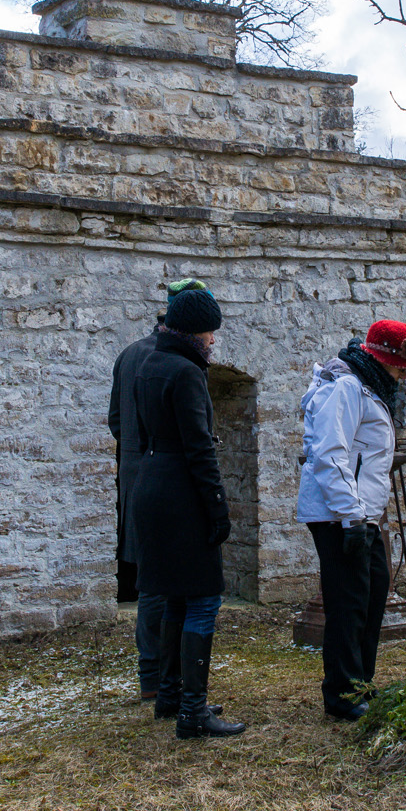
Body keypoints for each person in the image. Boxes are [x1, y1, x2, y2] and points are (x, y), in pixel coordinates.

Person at [124, 286, 246, 739]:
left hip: (151, 487)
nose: (213, 340)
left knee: (175, 594)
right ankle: (193, 712)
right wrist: (218, 508)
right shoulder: (186, 372)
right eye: (210, 332)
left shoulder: (148, 363)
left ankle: (171, 694)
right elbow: (200, 450)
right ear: (195, 331)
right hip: (182, 496)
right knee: (203, 597)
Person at [296, 319, 406, 720]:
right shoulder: (346, 388)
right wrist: (351, 517)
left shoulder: (371, 388)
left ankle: (362, 683)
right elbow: (330, 454)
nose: (403, 375)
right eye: (400, 367)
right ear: (381, 359)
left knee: (372, 592)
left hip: (359, 513)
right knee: (348, 601)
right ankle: (343, 694)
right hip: (339, 514)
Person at [108, 277, 207, 701]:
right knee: (160, 586)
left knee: (154, 583)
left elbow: (115, 422)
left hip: (138, 478)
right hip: (169, 482)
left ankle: (158, 677)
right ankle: (159, 678)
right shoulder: (170, 362)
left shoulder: (130, 354)